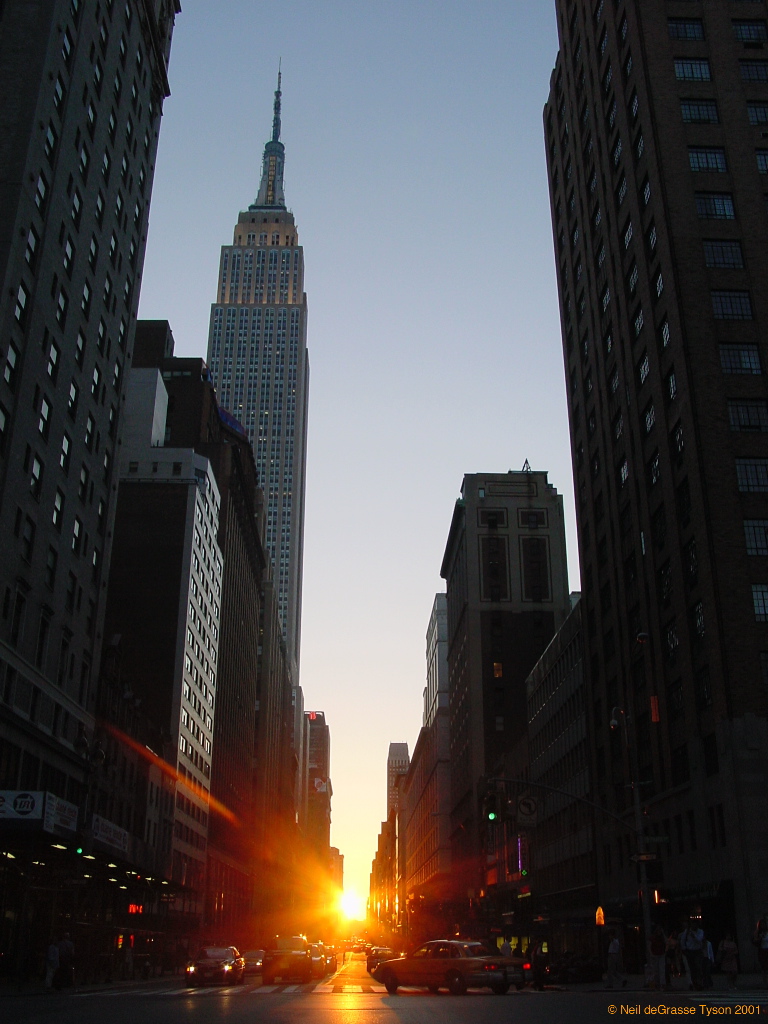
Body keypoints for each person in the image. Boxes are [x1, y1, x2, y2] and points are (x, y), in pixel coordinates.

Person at [679, 917, 704, 990]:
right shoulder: (687, 932)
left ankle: (699, 982)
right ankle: (694, 983)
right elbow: (682, 941)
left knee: (698, 967)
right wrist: (684, 949)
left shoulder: (700, 932)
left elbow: (699, 940)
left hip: (697, 951)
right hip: (690, 951)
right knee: (692, 968)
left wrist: (694, 936)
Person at [648, 926, 666, 990]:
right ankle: (657, 983)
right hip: (655, 954)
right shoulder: (653, 938)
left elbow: (666, 943)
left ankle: (662, 984)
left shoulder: (662, 937)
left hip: (661, 954)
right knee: (656, 970)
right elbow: (649, 946)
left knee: (661, 969)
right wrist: (651, 954)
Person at [754, 914, 768, 987]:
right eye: (761, 925)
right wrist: (760, 937)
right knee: (764, 967)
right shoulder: (758, 933)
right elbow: (755, 940)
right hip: (762, 950)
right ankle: (765, 982)